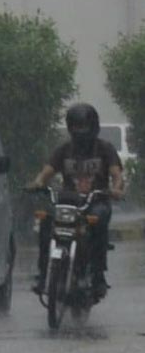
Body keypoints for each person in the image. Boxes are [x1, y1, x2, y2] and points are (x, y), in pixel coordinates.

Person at [28, 103, 126, 296]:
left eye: (84, 126)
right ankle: (43, 274)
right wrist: (38, 183)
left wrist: (116, 189)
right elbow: (47, 172)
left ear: (93, 126)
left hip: (96, 202)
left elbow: (117, 174)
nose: (80, 131)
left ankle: (98, 276)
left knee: (98, 223)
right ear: (70, 127)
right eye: (76, 126)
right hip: (68, 202)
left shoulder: (105, 149)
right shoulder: (64, 149)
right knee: (46, 220)